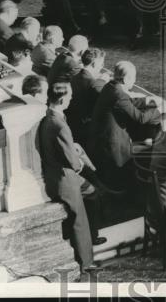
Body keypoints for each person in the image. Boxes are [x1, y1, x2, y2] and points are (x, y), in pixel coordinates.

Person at [35, 82, 107, 271]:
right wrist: (80, 161)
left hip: (56, 174)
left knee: (93, 193)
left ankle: (92, 235)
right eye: (69, 96)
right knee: (79, 218)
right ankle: (86, 262)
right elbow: (73, 163)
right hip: (64, 180)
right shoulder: (59, 124)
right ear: (61, 99)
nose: (72, 98)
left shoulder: (50, 117)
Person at [88, 60, 162, 189]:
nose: (134, 82)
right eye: (133, 78)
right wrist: (157, 108)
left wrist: (143, 100)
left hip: (101, 135)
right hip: (112, 142)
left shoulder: (110, 86)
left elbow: (127, 101)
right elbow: (141, 118)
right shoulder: (119, 94)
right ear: (126, 78)